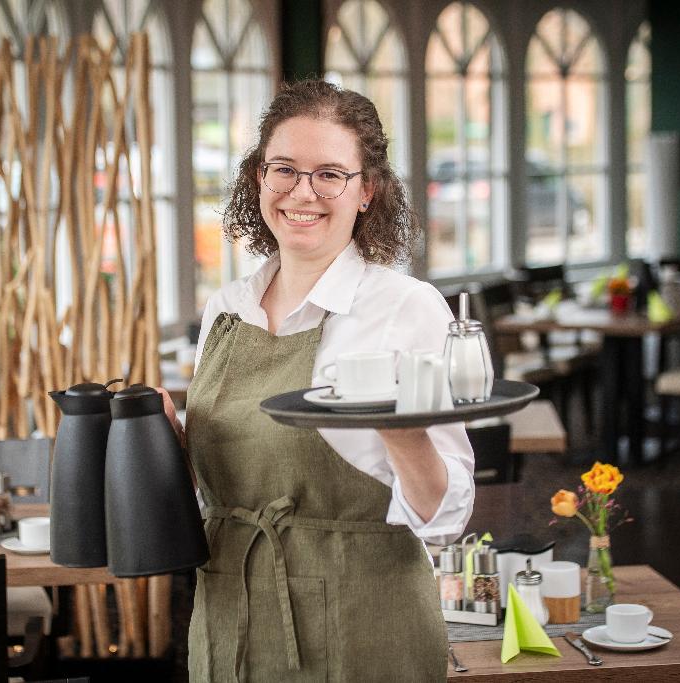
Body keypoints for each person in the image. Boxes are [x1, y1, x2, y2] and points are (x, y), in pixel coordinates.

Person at [170, 80, 474, 682]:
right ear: (259, 178)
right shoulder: (226, 309)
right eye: (284, 168)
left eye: (329, 174)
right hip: (231, 611)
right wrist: (166, 440)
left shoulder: (405, 307)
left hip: (366, 622)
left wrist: (401, 431)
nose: (302, 192)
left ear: (367, 191)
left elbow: (446, 517)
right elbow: (213, 491)